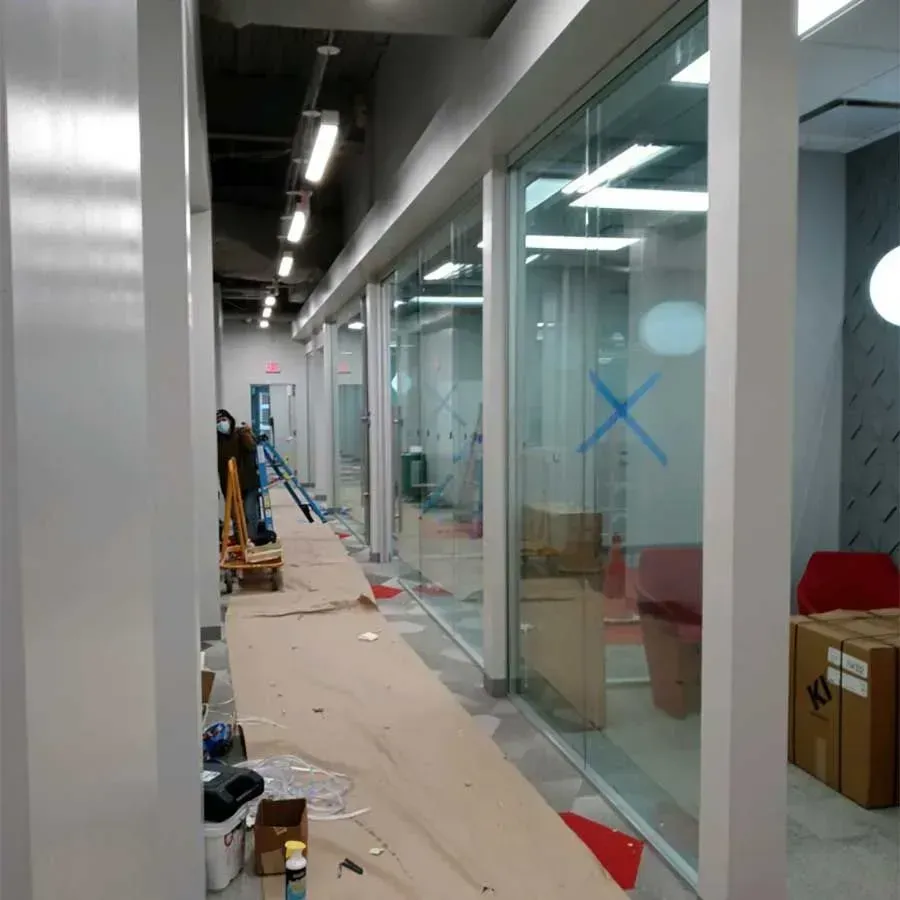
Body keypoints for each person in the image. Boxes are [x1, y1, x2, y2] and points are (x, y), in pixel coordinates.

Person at [216, 408, 262, 542]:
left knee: (249, 513)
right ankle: (240, 541)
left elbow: (252, 447)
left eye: (223, 420)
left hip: (248, 482)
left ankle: (251, 540)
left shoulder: (240, 434)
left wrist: (247, 433)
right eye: (218, 421)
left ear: (230, 420)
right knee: (236, 516)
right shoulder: (217, 442)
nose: (221, 424)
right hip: (229, 484)